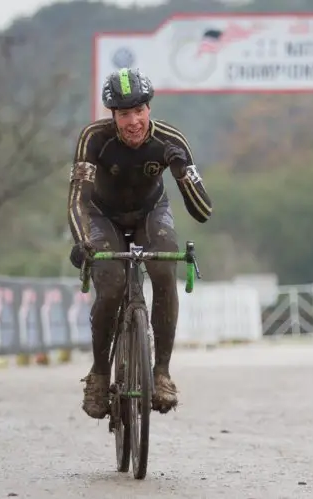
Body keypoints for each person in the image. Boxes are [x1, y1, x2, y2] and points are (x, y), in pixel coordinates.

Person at [67, 67, 213, 419]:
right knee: (112, 286)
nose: (133, 121)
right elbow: (77, 199)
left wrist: (181, 174)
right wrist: (83, 240)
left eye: (139, 111)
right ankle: (100, 374)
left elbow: (203, 211)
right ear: (112, 116)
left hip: (151, 212)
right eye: (123, 114)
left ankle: (161, 373)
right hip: (104, 216)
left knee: (164, 273)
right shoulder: (94, 138)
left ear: (149, 108)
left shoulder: (170, 139)